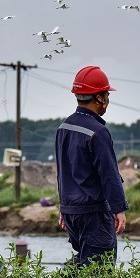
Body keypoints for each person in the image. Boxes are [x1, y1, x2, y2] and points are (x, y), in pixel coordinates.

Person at [55, 66, 128, 267]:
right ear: (99, 98)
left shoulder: (64, 127)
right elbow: (109, 175)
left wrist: (64, 207)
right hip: (93, 213)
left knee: (82, 268)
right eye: (106, 94)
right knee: (99, 274)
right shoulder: (98, 132)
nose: (107, 99)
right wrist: (119, 209)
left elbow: (62, 172)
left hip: (71, 214)